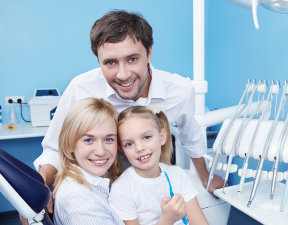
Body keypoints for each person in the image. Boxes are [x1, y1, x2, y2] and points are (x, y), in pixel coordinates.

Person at [22, 9, 223, 225]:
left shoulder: (179, 90)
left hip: (149, 182)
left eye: (132, 59)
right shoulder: (81, 88)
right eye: (110, 63)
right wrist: (38, 187)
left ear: (149, 53)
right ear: (99, 61)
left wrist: (205, 176)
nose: (123, 74)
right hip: (104, 187)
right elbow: (54, 147)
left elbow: (190, 136)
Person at [110, 106, 209, 225]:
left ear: (162, 137)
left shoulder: (177, 175)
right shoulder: (122, 189)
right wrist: (167, 219)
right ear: (121, 149)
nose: (140, 148)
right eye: (129, 144)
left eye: (147, 137)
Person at [52, 97, 124, 225]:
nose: (101, 151)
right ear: (69, 144)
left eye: (109, 139)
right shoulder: (79, 200)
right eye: (88, 140)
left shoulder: (100, 178)